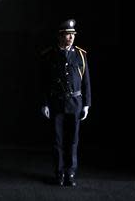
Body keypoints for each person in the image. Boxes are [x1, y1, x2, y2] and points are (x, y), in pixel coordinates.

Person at [40, 18, 91, 187]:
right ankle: (59, 173)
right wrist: (45, 103)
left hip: (75, 103)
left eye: (73, 35)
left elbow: (86, 82)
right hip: (56, 103)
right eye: (67, 35)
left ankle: (70, 173)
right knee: (57, 140)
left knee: (73, 140)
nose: (71, 38)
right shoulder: (49, 55)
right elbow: (43, 82)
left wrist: (86, 105)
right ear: (60, 36)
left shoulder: (80, 55)